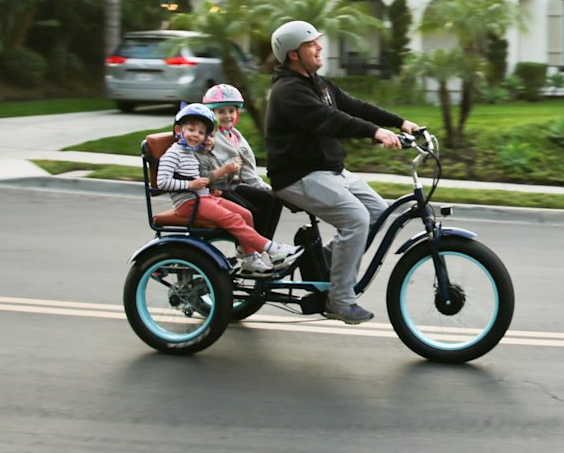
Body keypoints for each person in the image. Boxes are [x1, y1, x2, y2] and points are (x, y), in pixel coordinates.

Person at [265, 20, 420, 324]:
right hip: (298, 176)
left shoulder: (320, 84)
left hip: (330, 171)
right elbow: (331, 119)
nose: (319, 47)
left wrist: (400, 122)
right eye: (311, 44)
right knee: (357, 219)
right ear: (294, 54)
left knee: (380, 213)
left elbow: (355, 107)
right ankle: (339, 300)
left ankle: (326, 259)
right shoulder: (288, 91)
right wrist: (375, 132)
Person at [157, 103, 301, 276]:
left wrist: (212, 162)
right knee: (233, 219)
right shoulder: (173, 154)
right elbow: (162, 182)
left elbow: (204, 175)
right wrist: (190, 185)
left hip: (203, 198)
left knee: (245, 214)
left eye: (201, 133)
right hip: (189, 202)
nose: (196, 135)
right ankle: (272, 250)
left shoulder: (190, 152)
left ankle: (250, 260)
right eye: (191, 130)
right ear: (179, 130)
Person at [201, 83, 284, 239]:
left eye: (231, 111)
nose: (227, 116)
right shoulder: (210, 138)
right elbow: (205, 166)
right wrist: (227, 169)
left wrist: (264, 188)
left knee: (273, 199)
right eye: (221, 112)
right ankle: (250, 245)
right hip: (217, 189)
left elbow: (247, 171)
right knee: (249, 209)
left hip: (233, 186)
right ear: (211, 114)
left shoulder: (235, 136)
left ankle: (265, 243)